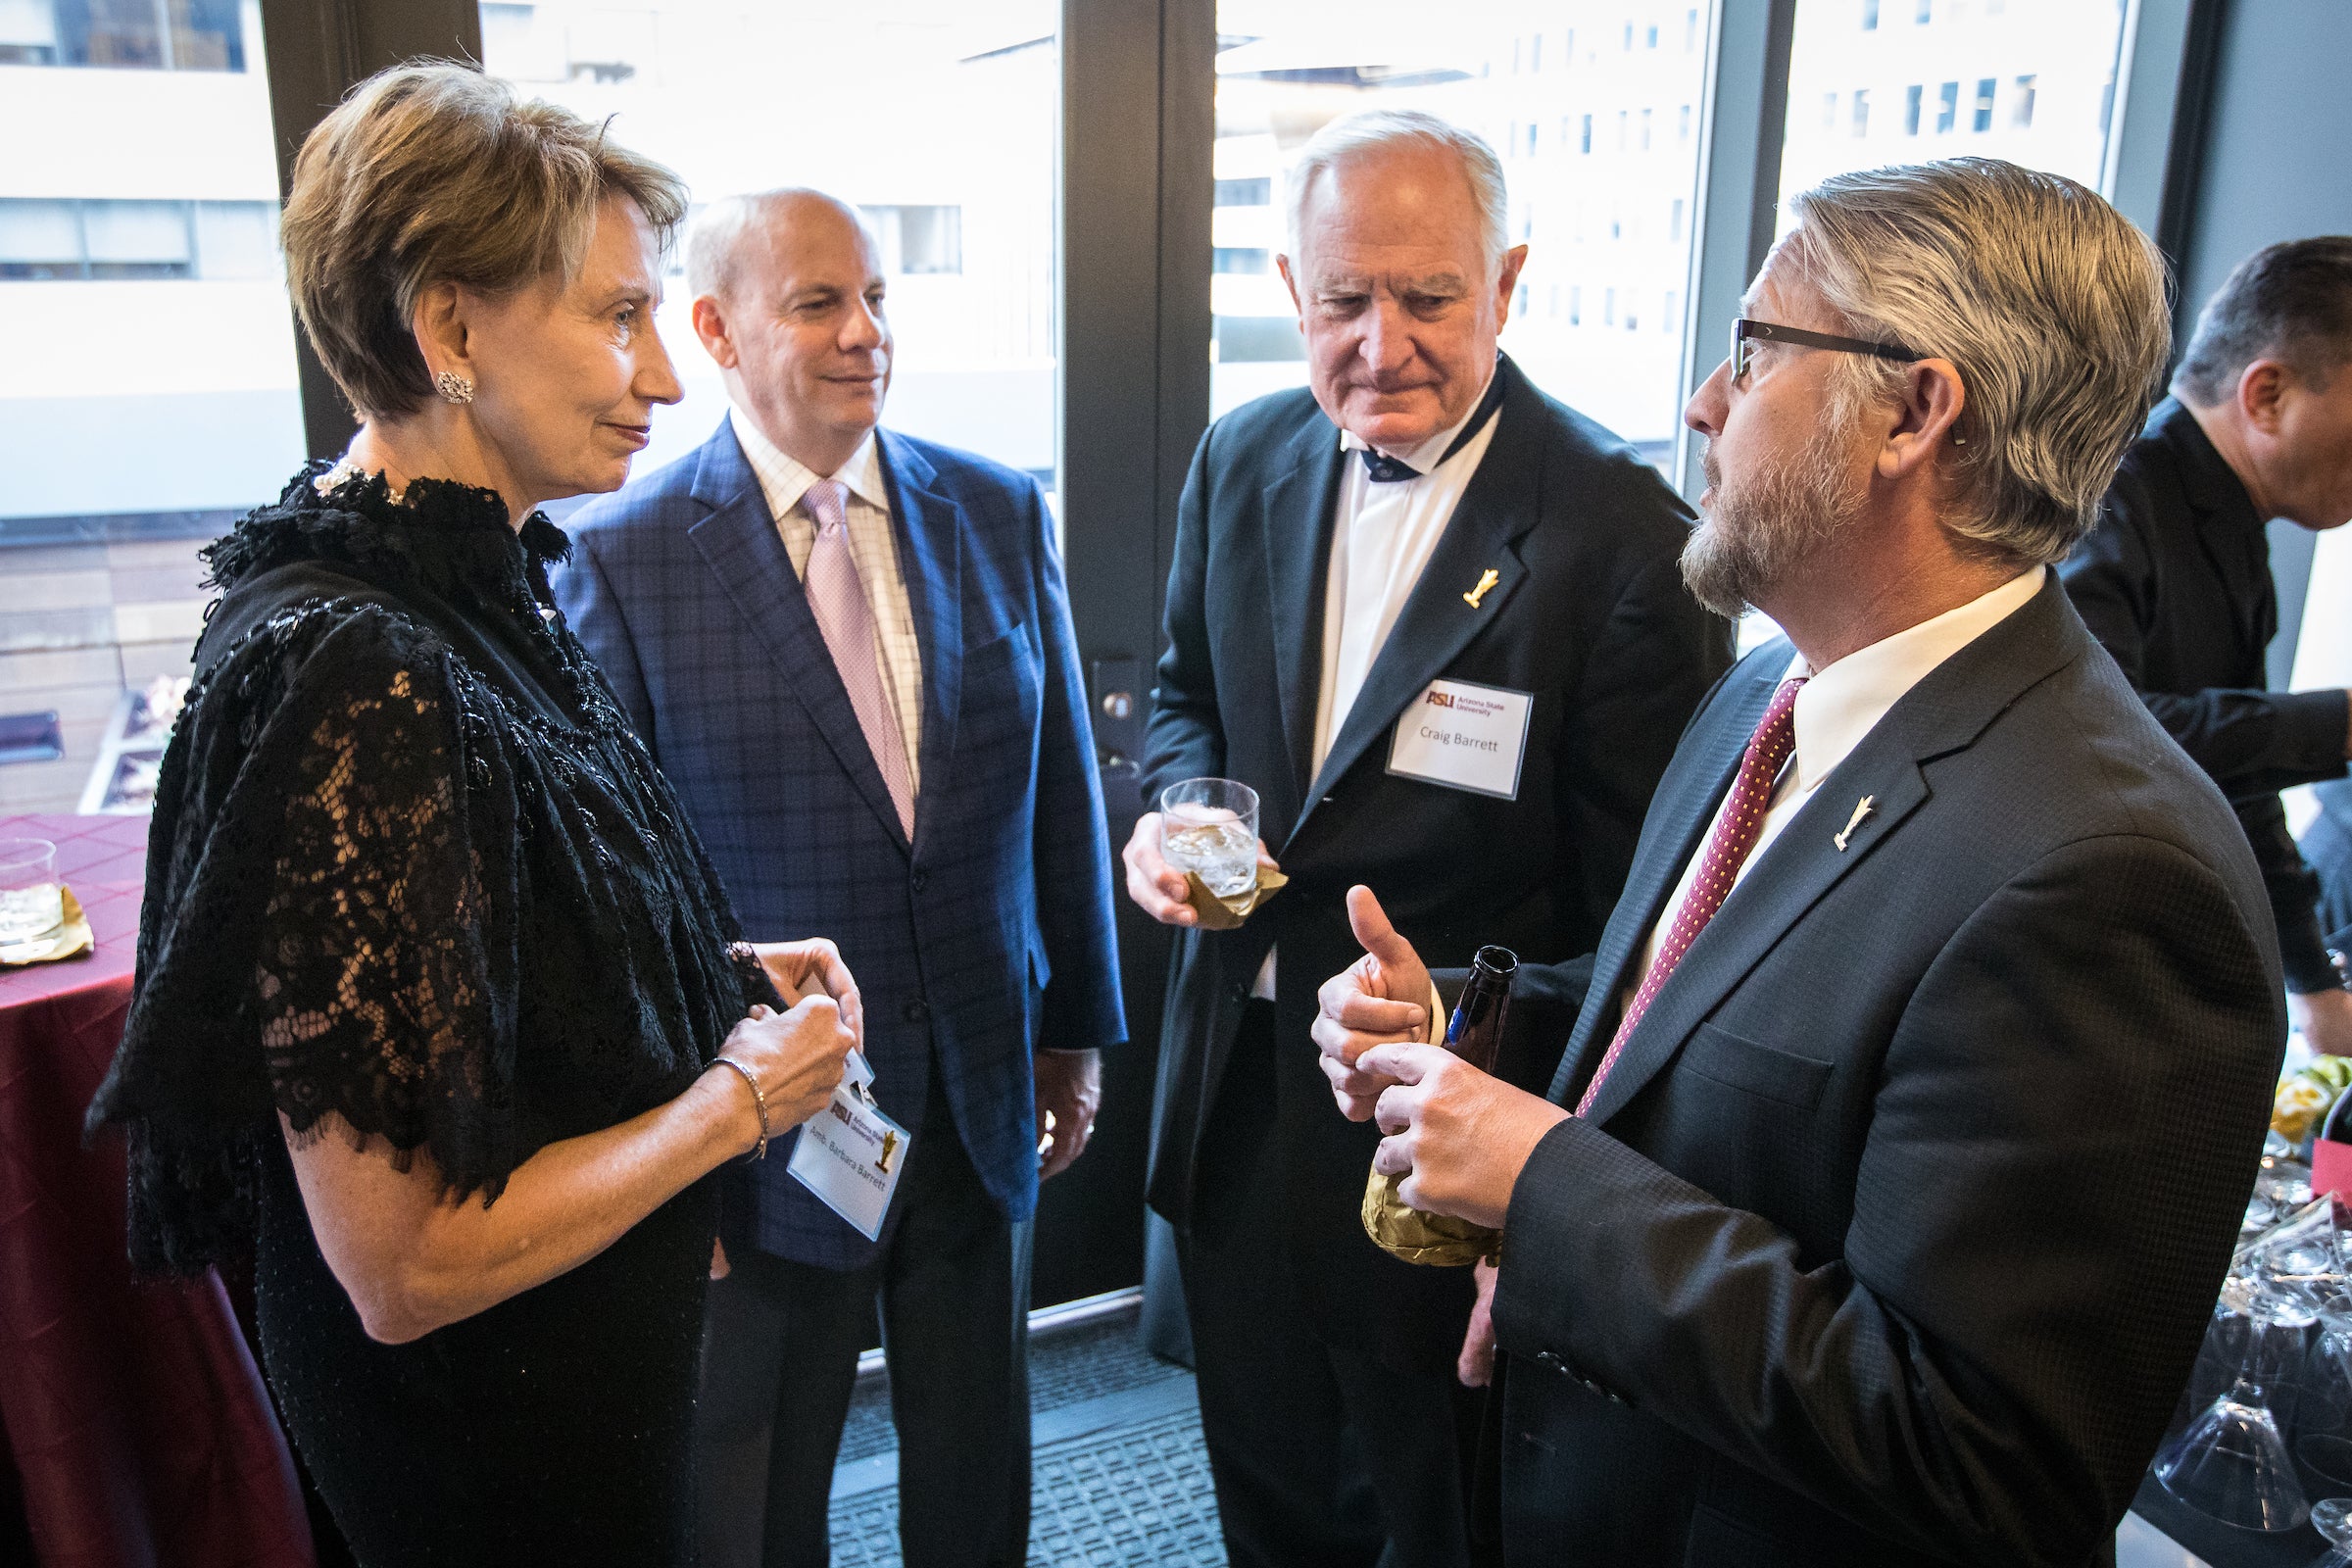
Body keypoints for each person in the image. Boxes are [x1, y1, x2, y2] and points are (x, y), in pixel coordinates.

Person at [1312, 157, 2283, 1566]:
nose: (1707, 401)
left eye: (1756, 349)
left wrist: (1544, 1184)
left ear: (1915, 410)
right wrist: (1466, 1027)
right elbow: (1692, 1015)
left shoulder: (2112, 875)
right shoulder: (1763, 697)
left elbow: (1982, 1457)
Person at [82, 65, 861, 1566]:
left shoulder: (458, 575)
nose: (665, 377)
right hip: (485, 1432)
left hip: (559, 1371)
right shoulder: (361, 666)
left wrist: (711, 977)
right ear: (449, 330)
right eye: (618, 318)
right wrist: (741, 1102)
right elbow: (405, 1262)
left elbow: (489, 939)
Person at [1126, 109, 1729, 1567]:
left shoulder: (1623, 536)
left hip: (1440, 1129)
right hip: (1239, 1100)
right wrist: (1177, 812)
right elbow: (1183, 695)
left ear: (1508, 282)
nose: (1380, 341)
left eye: (1428, 296)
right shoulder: (1245, 452)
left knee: (1429, 1511)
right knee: (1261, 1481)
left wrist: (1482, 1052)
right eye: (1344, 300)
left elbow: (1654, 918)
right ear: (1292, 293)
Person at [556, 188, 1125, 1568]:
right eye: (819, 303)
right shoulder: (618, 558)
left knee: (977, 1457)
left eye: (875, 298)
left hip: (988, 1080)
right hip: (769, 1115)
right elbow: (615, 891)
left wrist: (1076, 1034)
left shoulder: (994, 509)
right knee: (754, 1484)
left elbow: (1061, 793)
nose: (866, 332)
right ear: (716, 329)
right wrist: (665, 1147)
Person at [2062, 236, 2352, 1052]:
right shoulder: (2113, 497)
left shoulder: (2234, 521)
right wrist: (2341, 725)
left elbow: (2240, 779)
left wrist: (2315, 985)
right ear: (2266, 395)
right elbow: (2099, 736)